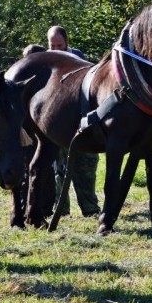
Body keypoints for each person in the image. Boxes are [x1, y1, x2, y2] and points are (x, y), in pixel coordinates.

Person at [48, 26, 100, 217]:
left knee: (86, 166)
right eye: (52, 46)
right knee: (58, 169)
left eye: (59, 45)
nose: (56, 50)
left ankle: (90, 208)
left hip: (81, 121)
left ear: (67, 43)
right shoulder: (44, 60)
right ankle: (61, 209)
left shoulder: (79, 58)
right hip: (56, 123)